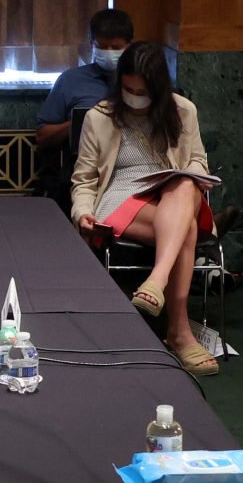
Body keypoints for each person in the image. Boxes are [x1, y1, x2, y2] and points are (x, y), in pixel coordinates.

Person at [70, 44, 221, 377]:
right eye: (128, 90)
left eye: (143, 92)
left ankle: (156, 281)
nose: (135, 97)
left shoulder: (183, 111)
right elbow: (84, 181)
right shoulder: (100, 117)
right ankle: (179, 333)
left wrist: (195, 172)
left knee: (183, 185)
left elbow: (197, 159)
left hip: (172, 194)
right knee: (187, 230)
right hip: (122, 199)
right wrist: (82, 213)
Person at [34, 8, 136, 151]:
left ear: (129, 45)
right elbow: (43, 136)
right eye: (102, 47)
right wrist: (80, 122)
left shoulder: (141, 80)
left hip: (132, 164)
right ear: (91, 43)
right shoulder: (70, 80)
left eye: (116, 47)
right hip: (85, 163)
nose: (109, 52)